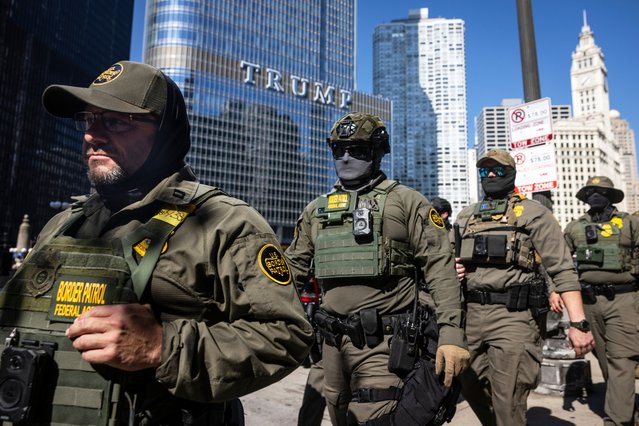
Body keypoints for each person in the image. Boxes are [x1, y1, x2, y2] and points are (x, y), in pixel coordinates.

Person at [0, 61, 313, 425]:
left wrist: (162, 346)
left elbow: (285, 334)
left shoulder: (224, 221)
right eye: (88, 120)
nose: (92, 135)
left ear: (164, 132)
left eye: (114, 121)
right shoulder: (65, 222)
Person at [285, 112, 469, 426]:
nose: (345, 157)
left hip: (384, 344)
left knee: (376, 418)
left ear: (377, 151)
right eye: (338, 150)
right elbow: (291, 271)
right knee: (340, 416)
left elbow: (440, 268)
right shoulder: (316, 210)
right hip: (331, 345)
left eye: (357, 149)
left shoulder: (408, 202)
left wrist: (451, 333)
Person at [454, 148, 594, 426]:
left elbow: (562, 268)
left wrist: (578, 324)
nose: (491, 175)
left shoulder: (533, 213)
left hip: (514, 316)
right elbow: (449, 260)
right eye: (485, 170)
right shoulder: (466, 216)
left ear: (512, 173)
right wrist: (453, 267)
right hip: (470, 315)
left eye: (498, 170)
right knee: (469, 385)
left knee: (509, 399)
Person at [564, 176, 639, 426]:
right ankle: (627, 409)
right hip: (589, 301)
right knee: (605, 358)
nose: (595, 196)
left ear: (611, 196)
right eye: (590, 192)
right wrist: (555, 289)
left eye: (601, 192)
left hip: (624, 299)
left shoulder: (630, 223)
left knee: (621, 359)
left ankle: (616, 420)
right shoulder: (575, 227)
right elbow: (559, 260)